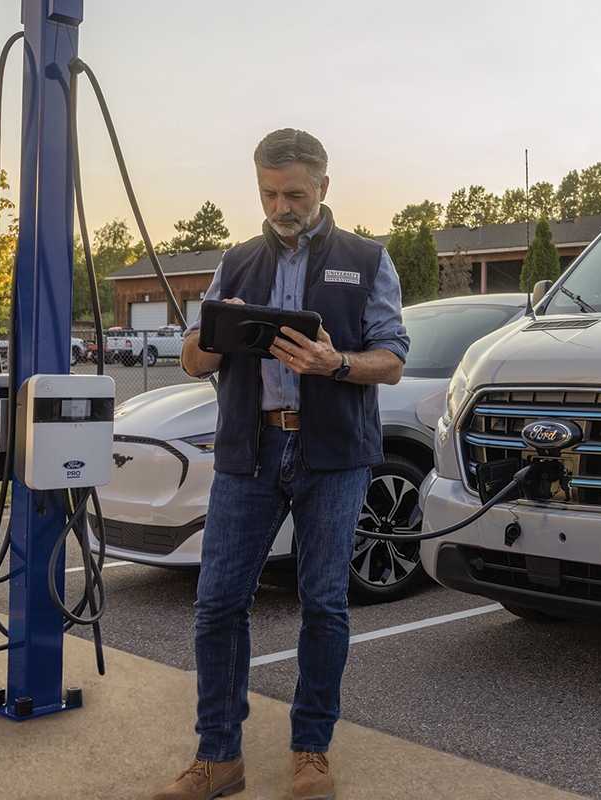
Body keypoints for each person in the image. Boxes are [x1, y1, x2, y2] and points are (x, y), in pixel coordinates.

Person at [154, 129, 408, 800]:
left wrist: (336, 362)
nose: (281, 207)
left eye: (294, 194)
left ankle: (310, 750)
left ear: (323, 186)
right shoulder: (236, 262)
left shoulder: (367, 259)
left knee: (323, 603)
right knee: (217, 604)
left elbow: (392, 359)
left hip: (334, 456)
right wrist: (218, 334)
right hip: (251, 452)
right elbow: (191, 359)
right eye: (268, 194)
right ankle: (218, 758)